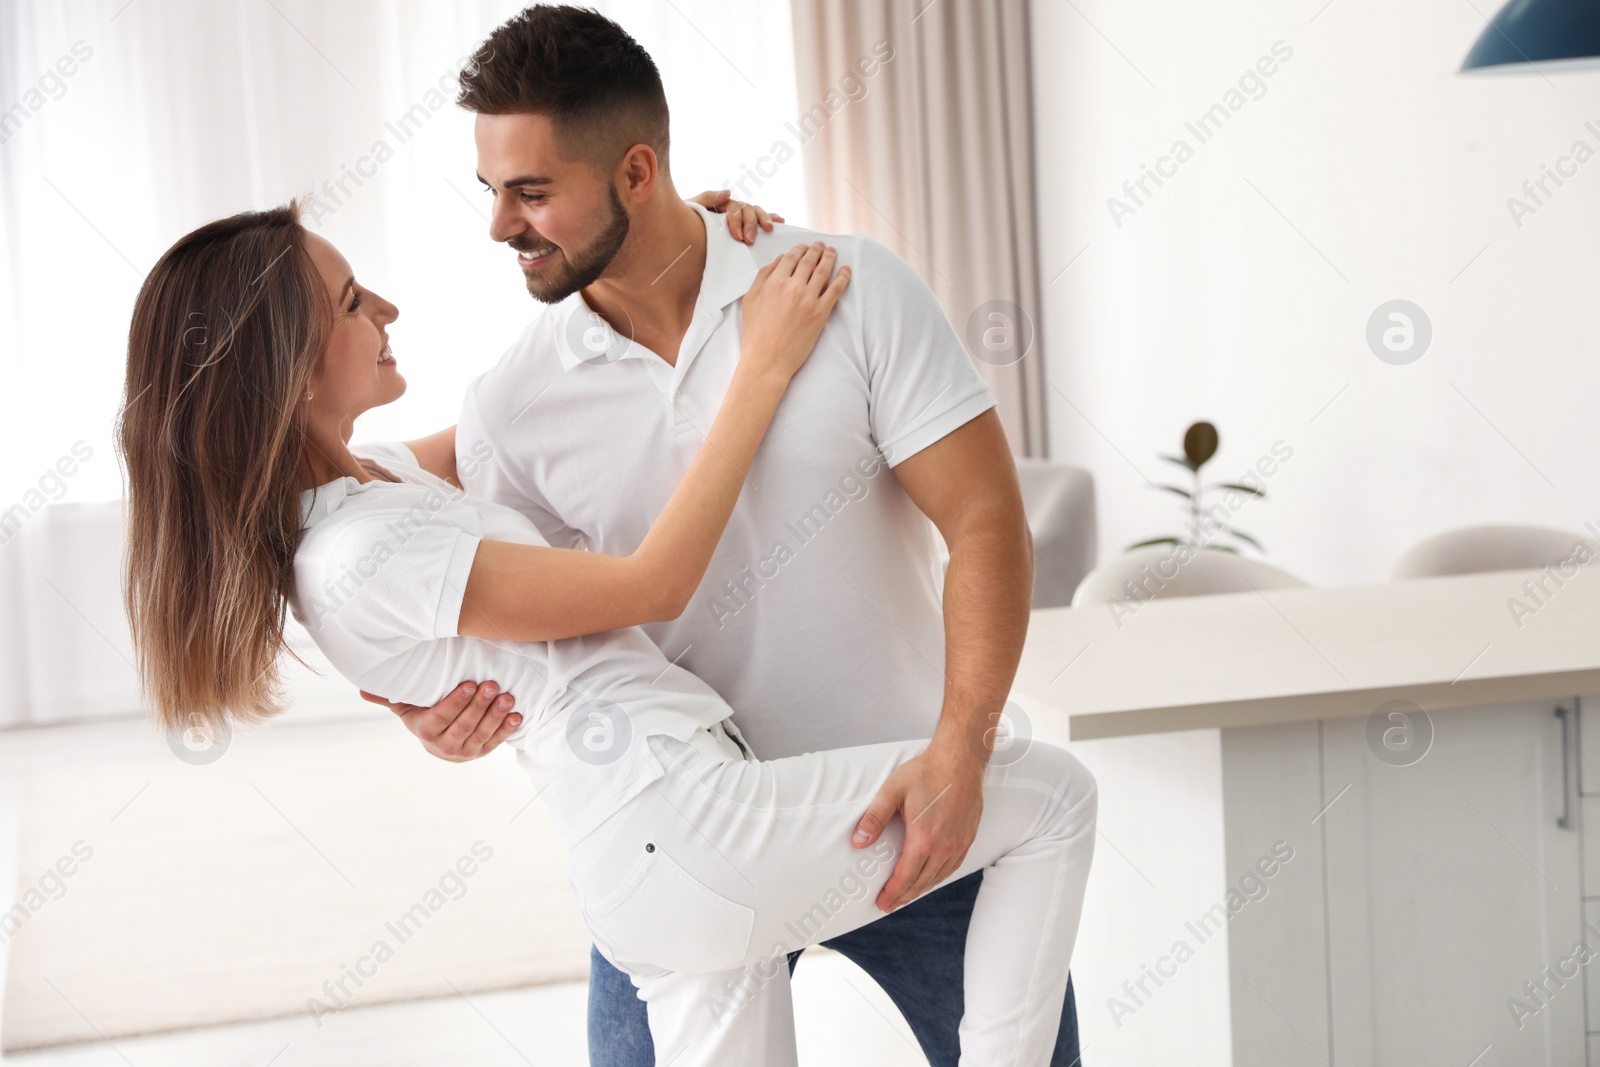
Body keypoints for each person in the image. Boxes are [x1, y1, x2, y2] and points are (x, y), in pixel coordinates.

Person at [119, 192, 1097, 1065]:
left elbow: (541, 410)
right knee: (1052, 793)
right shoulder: (350, 549)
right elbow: (654, 581)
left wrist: (685, 252)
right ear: (283, 375)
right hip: (685, 825)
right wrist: (759, 363)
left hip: (679, 838)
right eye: (349, 302)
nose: (387, 309)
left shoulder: (373, 475)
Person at [373, 7, 1087, 1064]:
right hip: (690, 838)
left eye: (531, 192)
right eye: (490, 191)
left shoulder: (842, 287)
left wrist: (961, 749)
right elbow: (505, 614)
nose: (499, 226)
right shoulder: (512, 406)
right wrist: (435, 709)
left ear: (636, 171)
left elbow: (984, 518)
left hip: (918, 796)